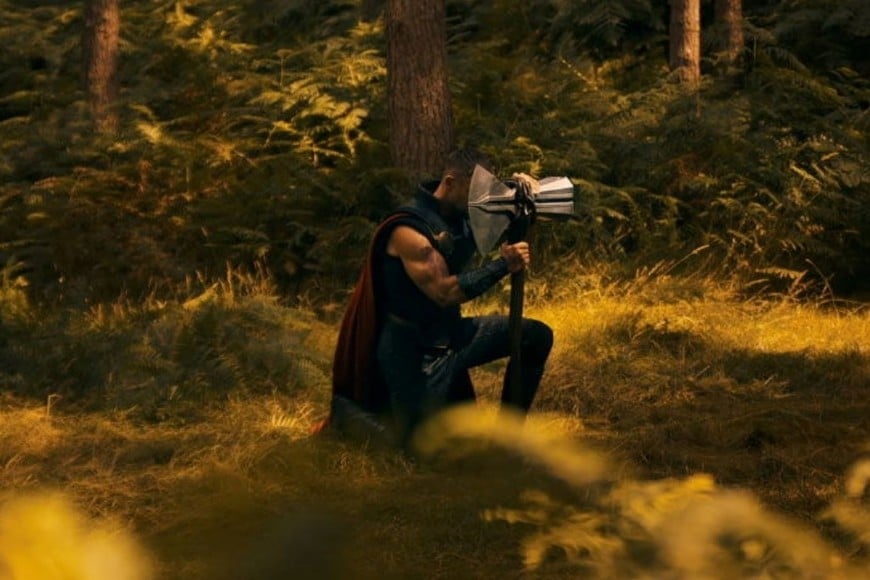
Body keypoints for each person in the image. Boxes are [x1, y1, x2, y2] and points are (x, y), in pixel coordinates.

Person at [329, 148, 554, 452]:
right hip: (411, 351)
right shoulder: (408, 230)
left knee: (536, 337)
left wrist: (521, 197)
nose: (480, 201)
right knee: (418, 450)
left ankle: (507, 439)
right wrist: (503, 265)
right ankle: (349, 418)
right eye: (474, 192)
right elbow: (444, 292)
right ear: (450, 182)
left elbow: (509, 228)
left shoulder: (462, 213)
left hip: (450, 335)